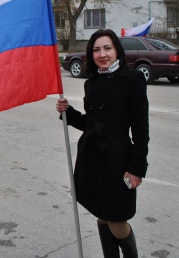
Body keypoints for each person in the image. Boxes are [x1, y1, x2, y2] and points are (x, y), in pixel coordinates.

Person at [55, 29, 149, 258]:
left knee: (116, 219)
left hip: (118, 158)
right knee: (102, 215)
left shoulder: (132, 79)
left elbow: (141, 130)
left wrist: (136, 168)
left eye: (107, 48)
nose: (102, 54)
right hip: (94, 156)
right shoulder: (93, 81)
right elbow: (92, 124)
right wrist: (69, 113)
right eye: (96, 50)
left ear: (117, 50)